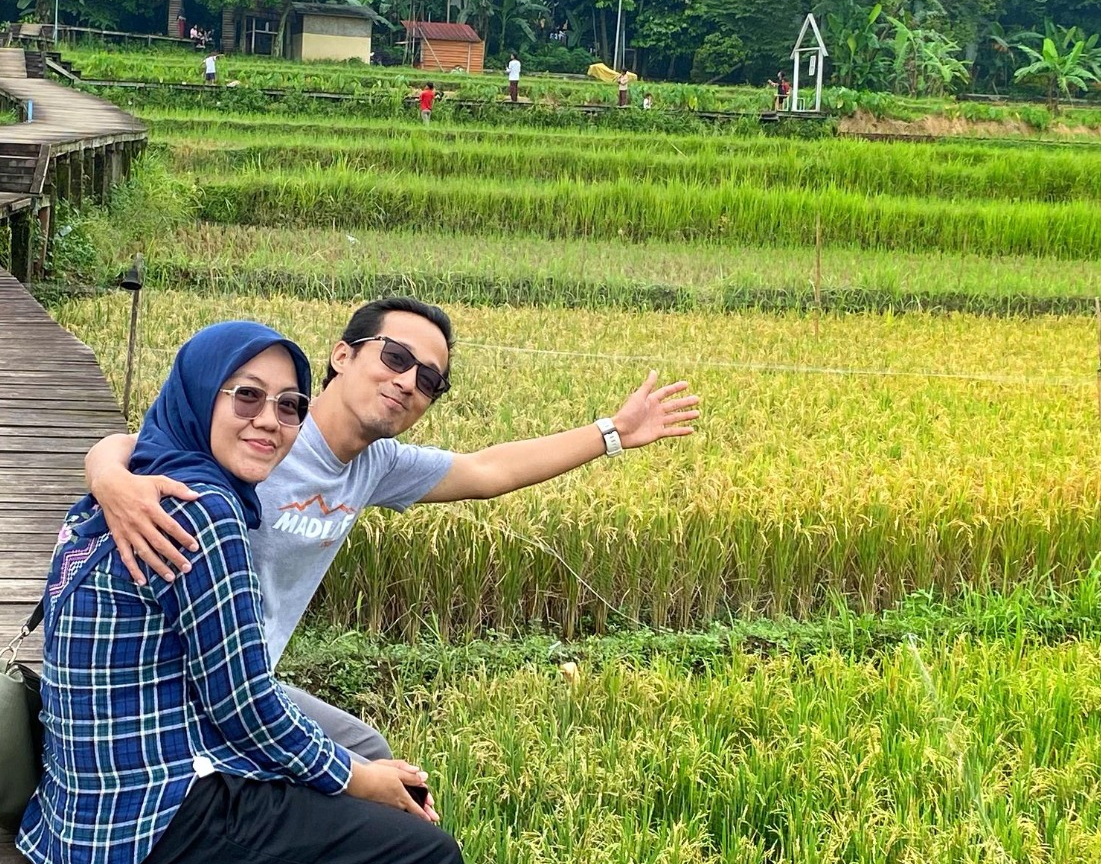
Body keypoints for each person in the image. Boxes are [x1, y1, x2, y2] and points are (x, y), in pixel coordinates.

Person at [23, 321, 558, 864]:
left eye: (286, 406)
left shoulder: (134, 487)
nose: (270, 421)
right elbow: (244, 710)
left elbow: (216, 691)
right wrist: (358, 781)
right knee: (424, 858)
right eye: (246, 398)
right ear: (202, 396)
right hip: (155, 825)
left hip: (79, 811)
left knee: (373, 801)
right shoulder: (207, 522)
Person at [87, 297, 699, 762]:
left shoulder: (376, 465)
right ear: (343, 354)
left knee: (372, 755)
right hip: (182, 685)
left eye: (429, 379)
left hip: (254, 681)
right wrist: (108, 474)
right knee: (361, 776)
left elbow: (489, 469)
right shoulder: (267, 431)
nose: (409, 381)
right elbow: (149, 445)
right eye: (396, 357)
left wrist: (613, 432)